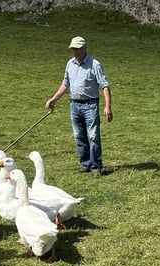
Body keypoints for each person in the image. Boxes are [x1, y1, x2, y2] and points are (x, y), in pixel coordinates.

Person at [45, 36, 113, 176]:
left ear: (84, 48)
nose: (75, 52)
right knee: (79, 136)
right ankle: (86, 163)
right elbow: (66, 84)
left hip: (90, 105)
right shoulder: (70, 64)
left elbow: (105, 86)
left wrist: (108, 106)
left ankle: (96, 166)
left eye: (77, 49)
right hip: (75, 105)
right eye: (73, 49)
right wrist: (54, 99)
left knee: (93, 136)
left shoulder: (94, 64)